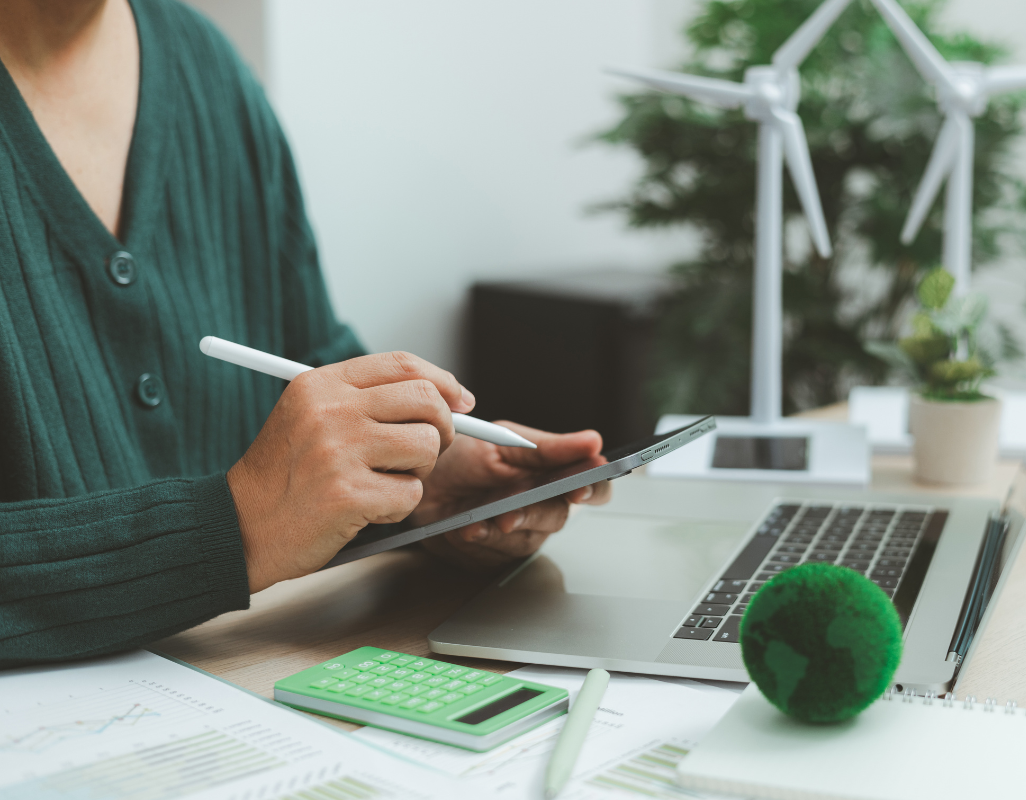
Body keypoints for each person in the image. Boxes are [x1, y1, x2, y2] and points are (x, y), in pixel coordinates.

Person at [0, 0, 611, 667]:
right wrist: (235, 527)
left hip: (246, 683)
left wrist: (411, 481)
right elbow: (252, 514)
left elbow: (303, 359)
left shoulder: (203, 64)